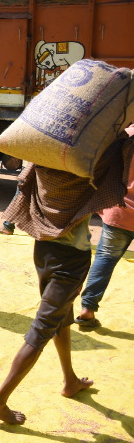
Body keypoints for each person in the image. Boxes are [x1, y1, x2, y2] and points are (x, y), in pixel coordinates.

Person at [0, 135, 131, 425]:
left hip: (44, 248)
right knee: (41, 330)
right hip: (70, 259)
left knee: (61, 317)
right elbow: (118, 162)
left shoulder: (46, 158)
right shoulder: (88, 166)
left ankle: (70, 380)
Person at [75, 123, 134, 329]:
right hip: (118, 210)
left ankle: (87, 309)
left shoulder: (124, 136)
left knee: (105, 260)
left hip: (119, 210)